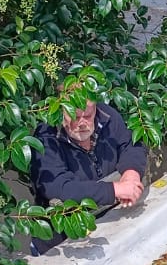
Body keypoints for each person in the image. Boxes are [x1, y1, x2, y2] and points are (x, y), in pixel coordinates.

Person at [28, 92, 148, 254]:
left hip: (107, 225)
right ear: (61, 112)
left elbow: (131, 144)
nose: (83, 123)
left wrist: (131, 174)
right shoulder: (46, 138)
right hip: (62, 243)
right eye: (75, 117)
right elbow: (59, 187)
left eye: (88, 116)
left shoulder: (107, 116)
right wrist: (114, 190)